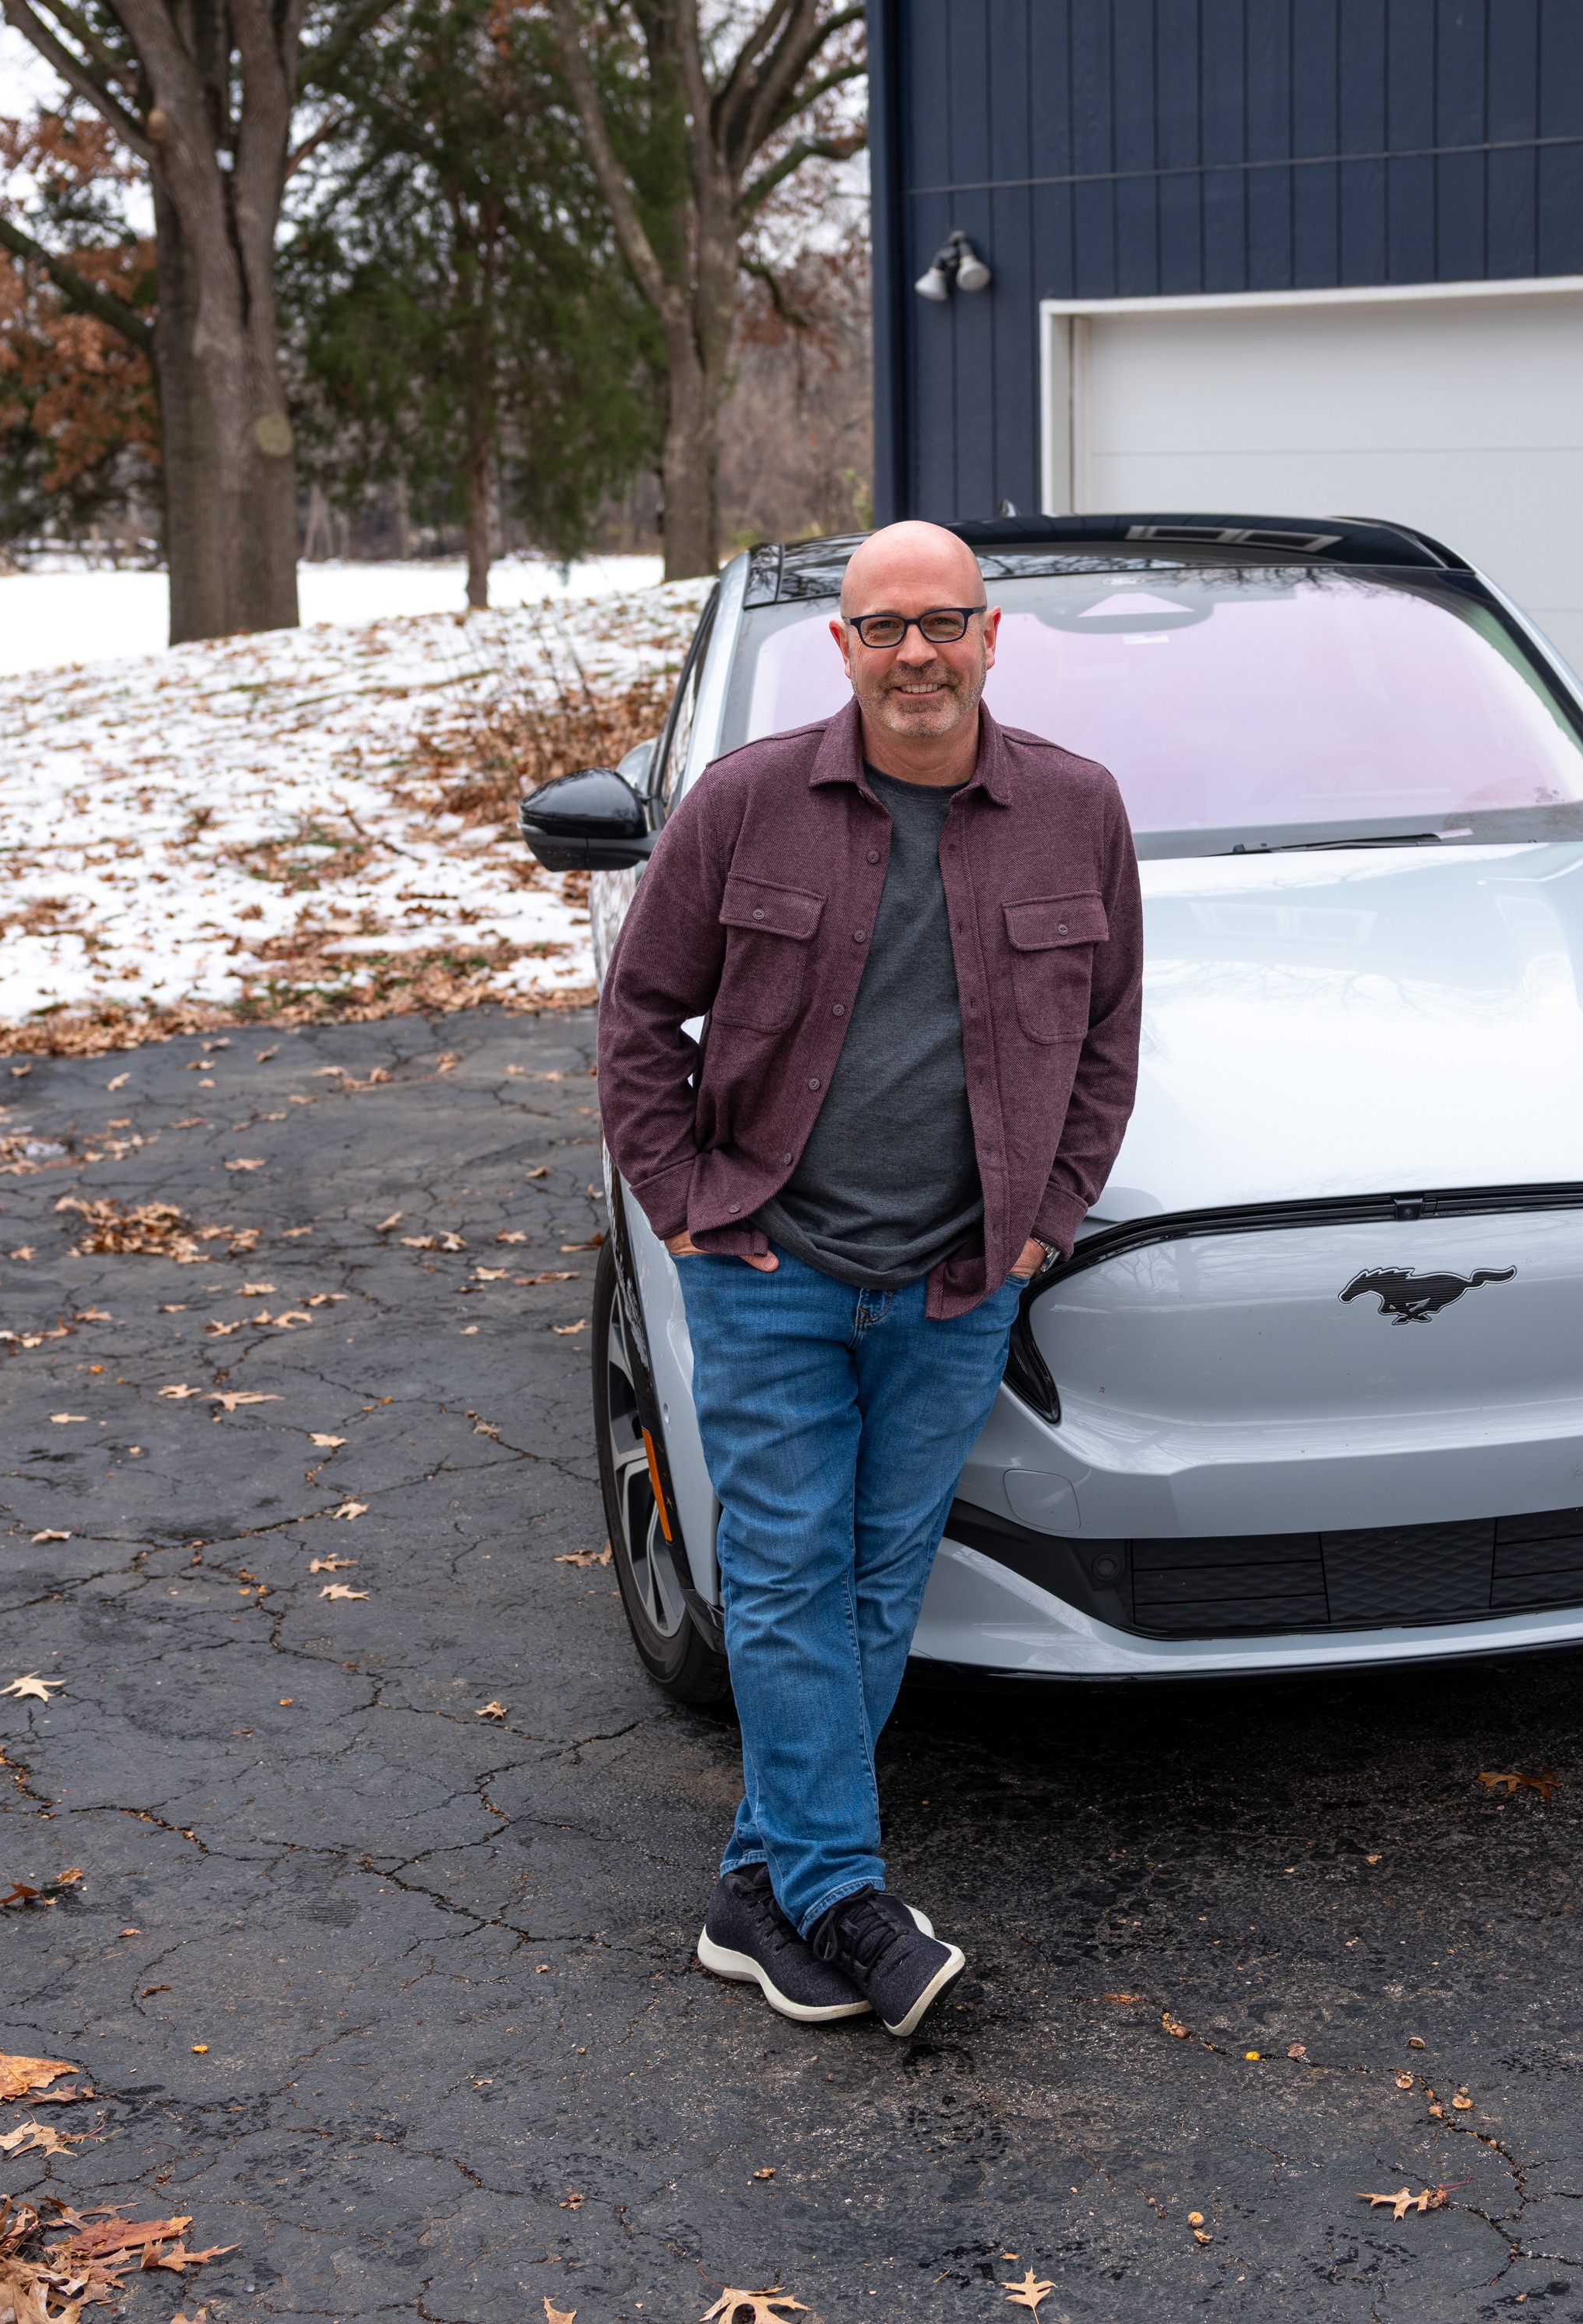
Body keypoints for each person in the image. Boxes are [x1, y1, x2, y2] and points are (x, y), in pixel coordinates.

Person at [593, 521, 1144, 2036]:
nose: (915, 652)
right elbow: (640, 1019)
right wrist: (684, 1201)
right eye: (882, 626)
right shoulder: (744, 805)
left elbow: (1106, 1039)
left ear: (987, 639)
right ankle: (840, 1899)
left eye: (941, 623)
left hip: (959, 1285)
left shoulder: (1076, 812)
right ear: (840, 649)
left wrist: (1048, 1219)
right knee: (780, 1578)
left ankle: (751, 1896)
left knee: (874, 1592)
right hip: (771, 1267)